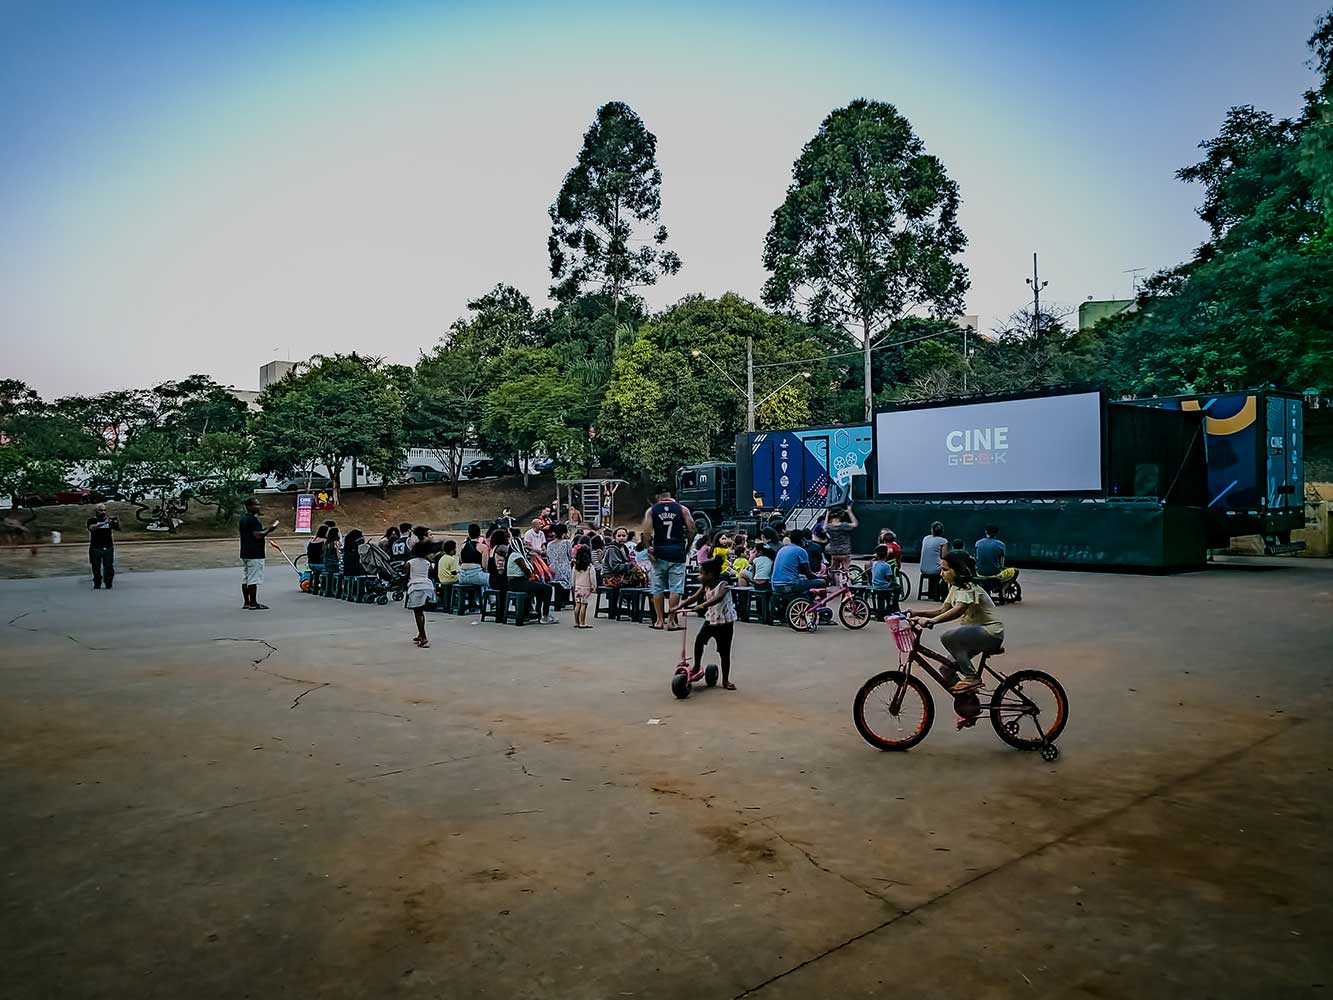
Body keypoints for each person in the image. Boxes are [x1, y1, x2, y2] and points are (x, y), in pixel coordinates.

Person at [909, 550, 1004, 693]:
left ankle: (972, 677)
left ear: (959, 570)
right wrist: (917, 613)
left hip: (990, 633)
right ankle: (969, 703)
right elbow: (942, 610)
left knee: (948, 637)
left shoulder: (968, 587)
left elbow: (959, 609)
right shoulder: (955, 587)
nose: (941, 573)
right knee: (946, 669)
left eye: (945, 570)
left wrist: (932, 621)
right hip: (974, 634)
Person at [680, 557, 738, 691]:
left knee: (724, 652)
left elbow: (718, 598)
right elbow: (694, 597)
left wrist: (701, 606)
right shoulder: (705, 586)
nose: (699, 576)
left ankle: (725, 680)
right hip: (711, 620)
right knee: (699, 641)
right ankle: (696, 665)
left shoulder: (723, 585)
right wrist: (679, 606)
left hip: (725, 623)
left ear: (710, 575)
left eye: (701, 573)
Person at [239, 497, 280, 610]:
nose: (258, 507)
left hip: (245, 552)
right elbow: (258, 535)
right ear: (249, 506)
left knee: (246, 578)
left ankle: (247, 602)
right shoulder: (252, 520)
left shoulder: (243, 519)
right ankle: (253, 603)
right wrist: (270, 529)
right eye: (256, 505)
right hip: (255, 552)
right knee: (253, 578)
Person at [505, 537, 557, 624]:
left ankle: (538, 612)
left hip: (516, 582)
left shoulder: (513, 555)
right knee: (547, 588)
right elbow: (527, 571)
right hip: (517, 583)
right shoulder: (517, 556)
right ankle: (545, 615)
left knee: (541, 587)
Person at [771, 529, 821, 596]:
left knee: (802, 579)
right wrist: (819, 577)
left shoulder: (782, 549)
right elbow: (808, 574)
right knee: (821, 582)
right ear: (802, 540)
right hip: (789, 585)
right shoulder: (800, 551)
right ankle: (819, 603)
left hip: (774, 585)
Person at [404, 541, 436, 648]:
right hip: (427, 587)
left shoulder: (410, 562)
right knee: (421, 612)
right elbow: (431, 573)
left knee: (417, 613)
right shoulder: (427, 563)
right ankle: (420, 633)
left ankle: (424, 637)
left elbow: (406, 576)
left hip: (415, 587)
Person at [86, 503, 120, 590]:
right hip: (95, 547)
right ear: (96, 511)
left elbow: (117, 529)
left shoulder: (109, 520)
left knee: (109, 566)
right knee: (96, 567)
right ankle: (97, 583)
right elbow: (92, 528)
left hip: (108, 546)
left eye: (104, 510)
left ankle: (108, 583)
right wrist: (104, 522)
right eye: (101, 510)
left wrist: (115, 522)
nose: (103, 512)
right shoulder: (92, 520)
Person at [824, 504, 858, 586]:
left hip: (834, 552)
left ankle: (832, 582)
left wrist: (827, 513)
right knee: (846, 569)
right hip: (844, 551)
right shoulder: (844, 526)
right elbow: (855, 524)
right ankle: (847, 584)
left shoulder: (829, 527)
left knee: (834, 569)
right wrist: (849, 511)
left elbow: (824, 527)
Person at [545, 523, 574, 608]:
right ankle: (565, 600)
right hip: (564, 568)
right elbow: (570, 556)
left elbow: (548, 558)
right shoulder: (566, 543)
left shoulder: (549, 544)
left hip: (552, 570)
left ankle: (559, 600)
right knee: (568, 572)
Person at [919, 522, 949, 601]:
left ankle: (931, 593)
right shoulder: (943, 541)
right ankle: (942, 595)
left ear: (932, 530)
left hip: (923, 568)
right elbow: (944, 556)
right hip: (935, 569)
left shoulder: (926, 538)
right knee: (946, 569)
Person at [571, 545, 598, 629]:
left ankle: (576, 622)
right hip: (586, 588)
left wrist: (573, 585)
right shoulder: (590, 567)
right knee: (584, 605)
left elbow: (573, 577)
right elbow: (592, 578)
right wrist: (594, 586)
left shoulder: (576, 566)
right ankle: (582, 623)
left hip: (577, 587)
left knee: (577, 604)